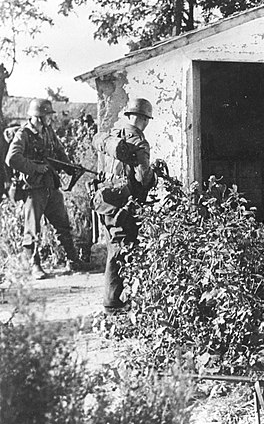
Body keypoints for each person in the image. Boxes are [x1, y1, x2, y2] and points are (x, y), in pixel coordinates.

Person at [5, 98, 85, 279]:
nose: (51, 118)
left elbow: (59, 152)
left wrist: (69, 167)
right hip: (33, 189)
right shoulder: (23, 134)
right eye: (48, 115)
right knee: (33, 229)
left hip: (50, 185)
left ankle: (72, 260)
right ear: (38, 116)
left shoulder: (48, 132)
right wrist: (35, 168)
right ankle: (34, 265)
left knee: (63, 224)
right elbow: (12, 158)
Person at [95, 97, 157, 313]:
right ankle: (112, 303)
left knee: (114, 246)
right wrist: (153, 175)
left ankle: (117, 297)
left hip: (104, 199)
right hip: (121, 203)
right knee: (119, 249)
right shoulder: (139, 142)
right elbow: (142, 177)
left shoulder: (115, 134)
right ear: (142, 119)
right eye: (146, 119)